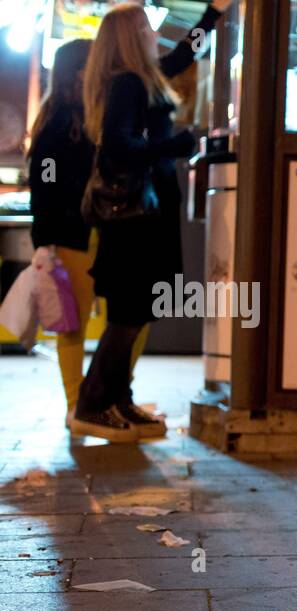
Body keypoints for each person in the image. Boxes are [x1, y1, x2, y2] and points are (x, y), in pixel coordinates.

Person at [72, 0, 230, 442]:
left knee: (136, 313)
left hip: (143, 218)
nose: (151, 29)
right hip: (133, 222)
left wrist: (212, 15)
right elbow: (119, 148)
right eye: (144, 24)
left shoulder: (138, 78)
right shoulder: (126, 83)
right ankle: (91, 403)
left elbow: (184, 56)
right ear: (128, 35)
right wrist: (175, 145)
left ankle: (117, 399)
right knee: (127, 315)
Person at [27, 38, 150, 425]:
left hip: (103, 231)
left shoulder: (102, 116)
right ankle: (77, 402)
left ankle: (107, 392)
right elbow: (44, 180)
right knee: (73, 322)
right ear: (80, 71)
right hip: (71, 234)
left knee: (131, 313)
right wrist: (45, 240)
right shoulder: (59, 125)